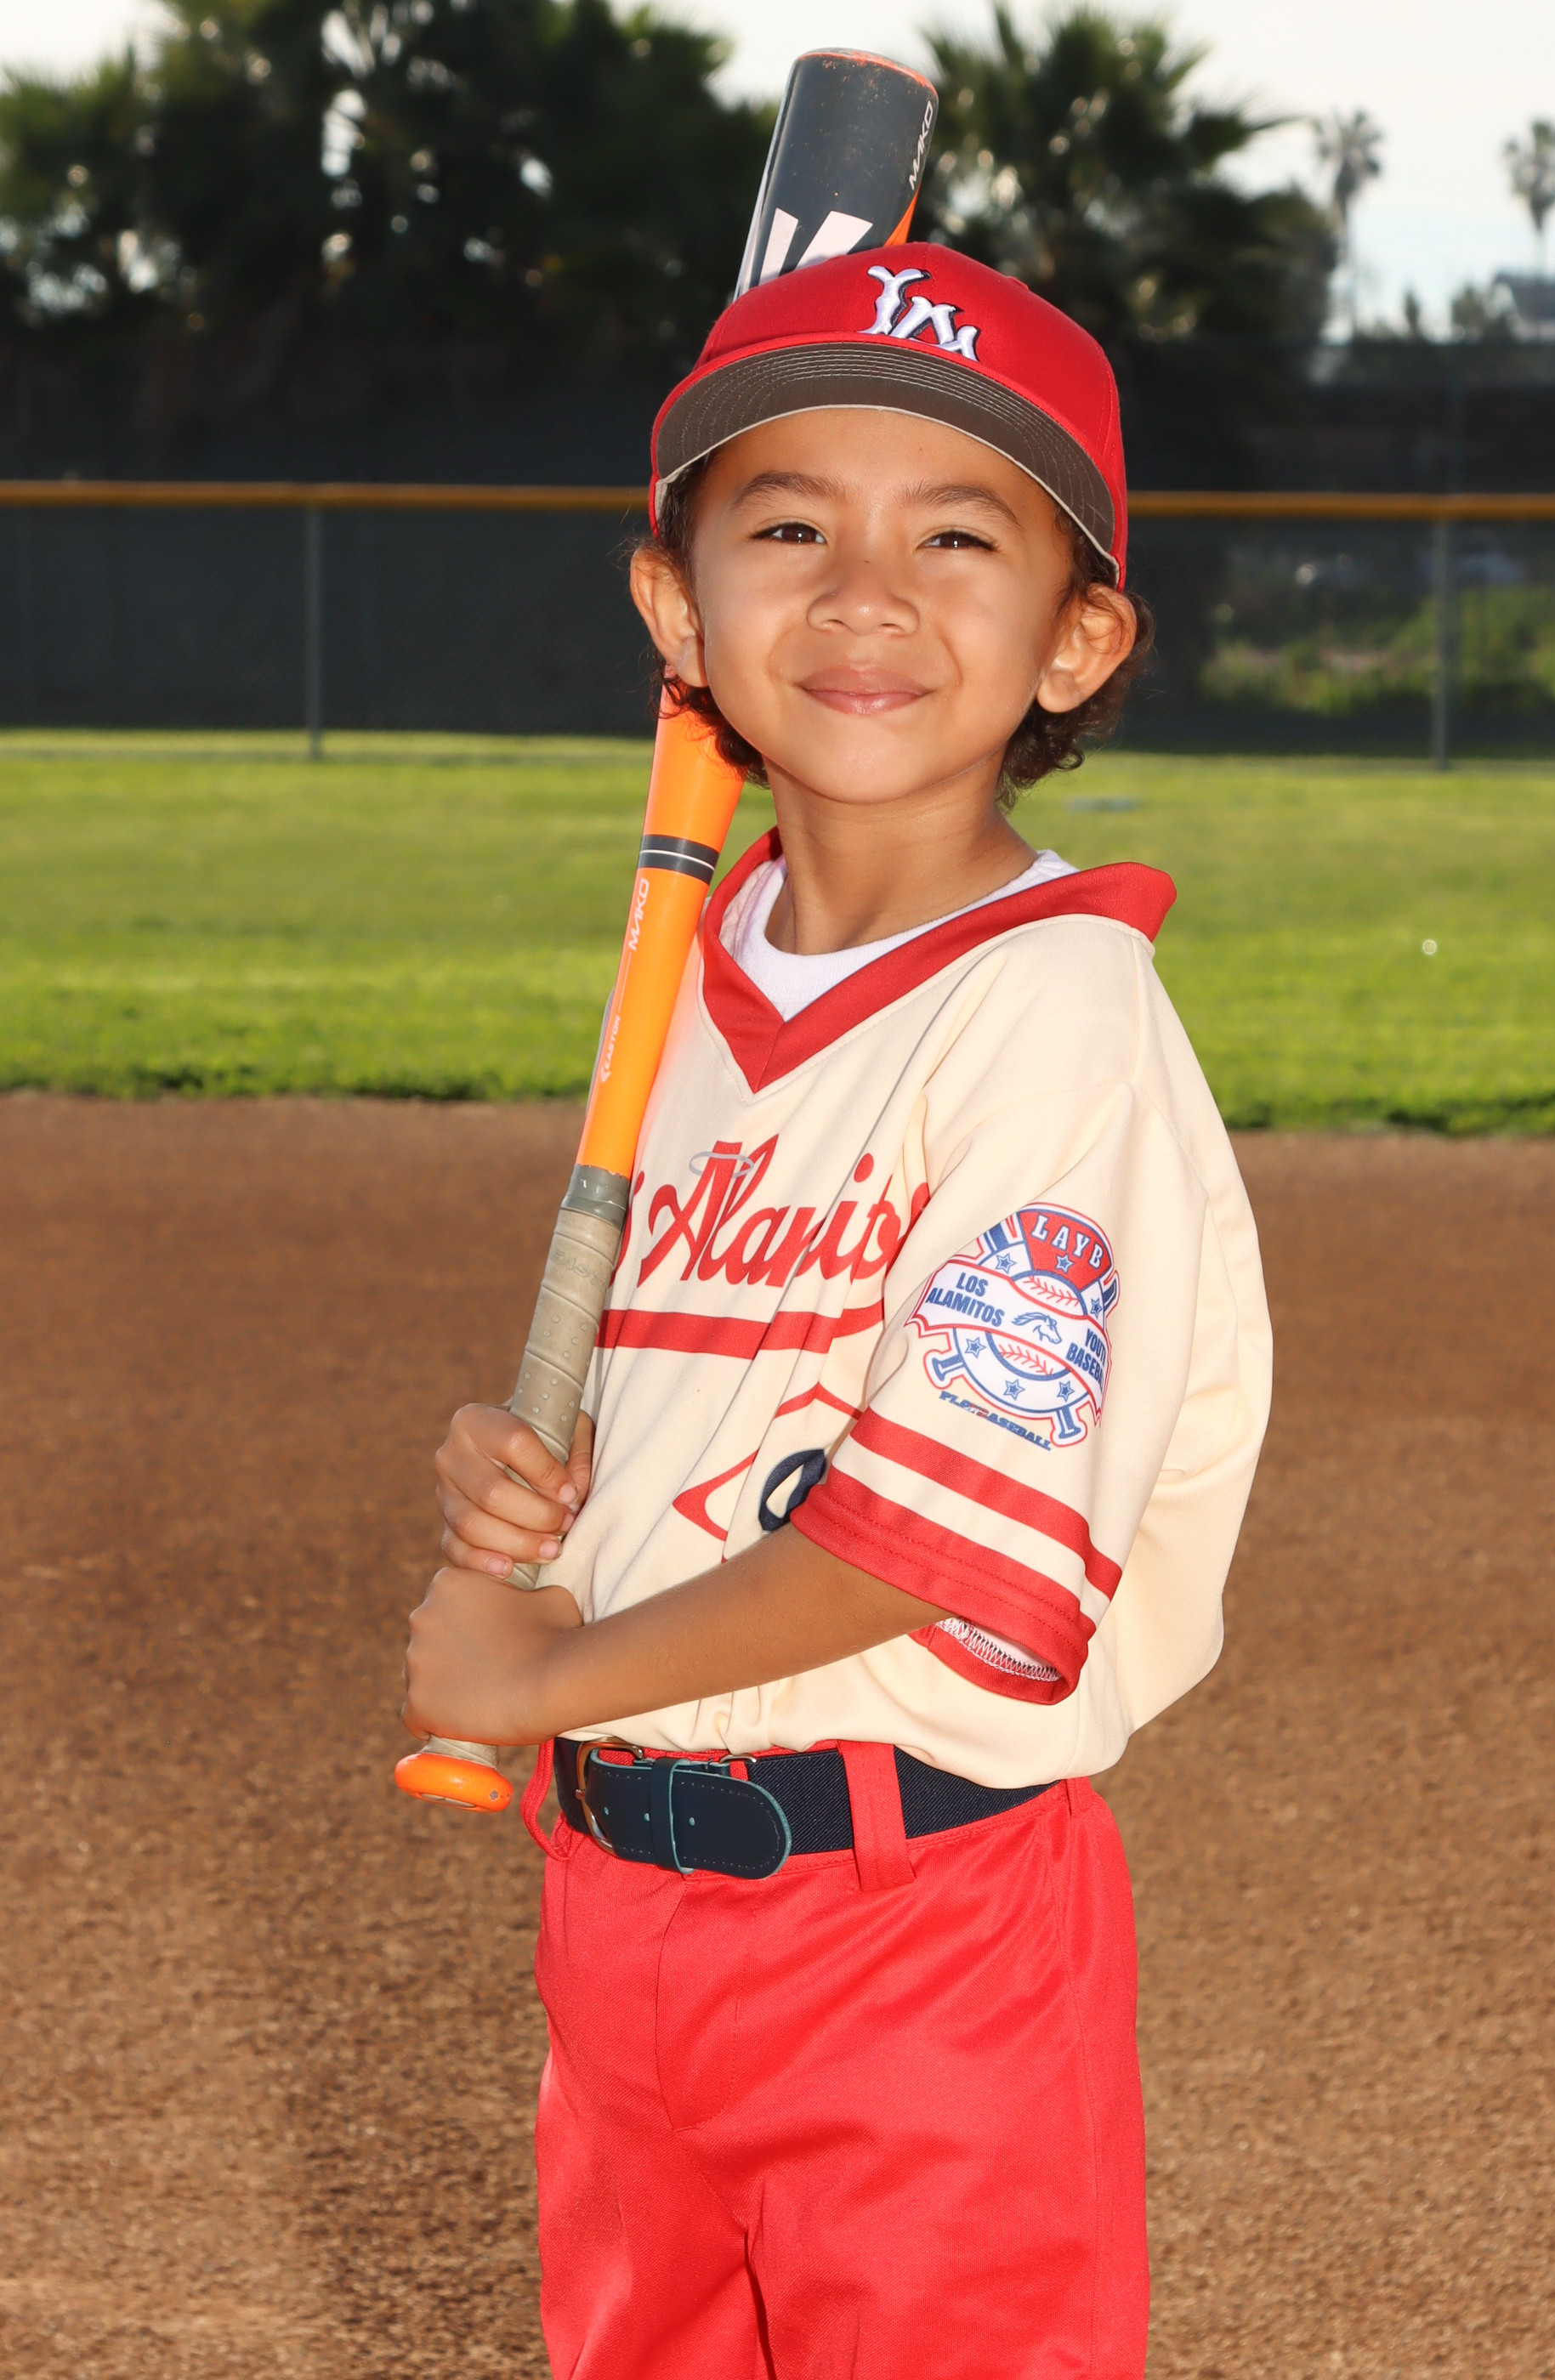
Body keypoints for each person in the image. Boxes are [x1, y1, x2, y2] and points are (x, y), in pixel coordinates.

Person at [402, 244, 1272, 2380]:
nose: (866, 593)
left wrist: (549, 1663)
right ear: (676, 608)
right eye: (787, 527)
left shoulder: (1058, 1011)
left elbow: (920, 1534)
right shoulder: (693, 990)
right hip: (622, 1917)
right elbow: (717, 1397)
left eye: (955, 537)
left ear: (1077, 638)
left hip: (918, 1940)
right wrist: (549, 1484)